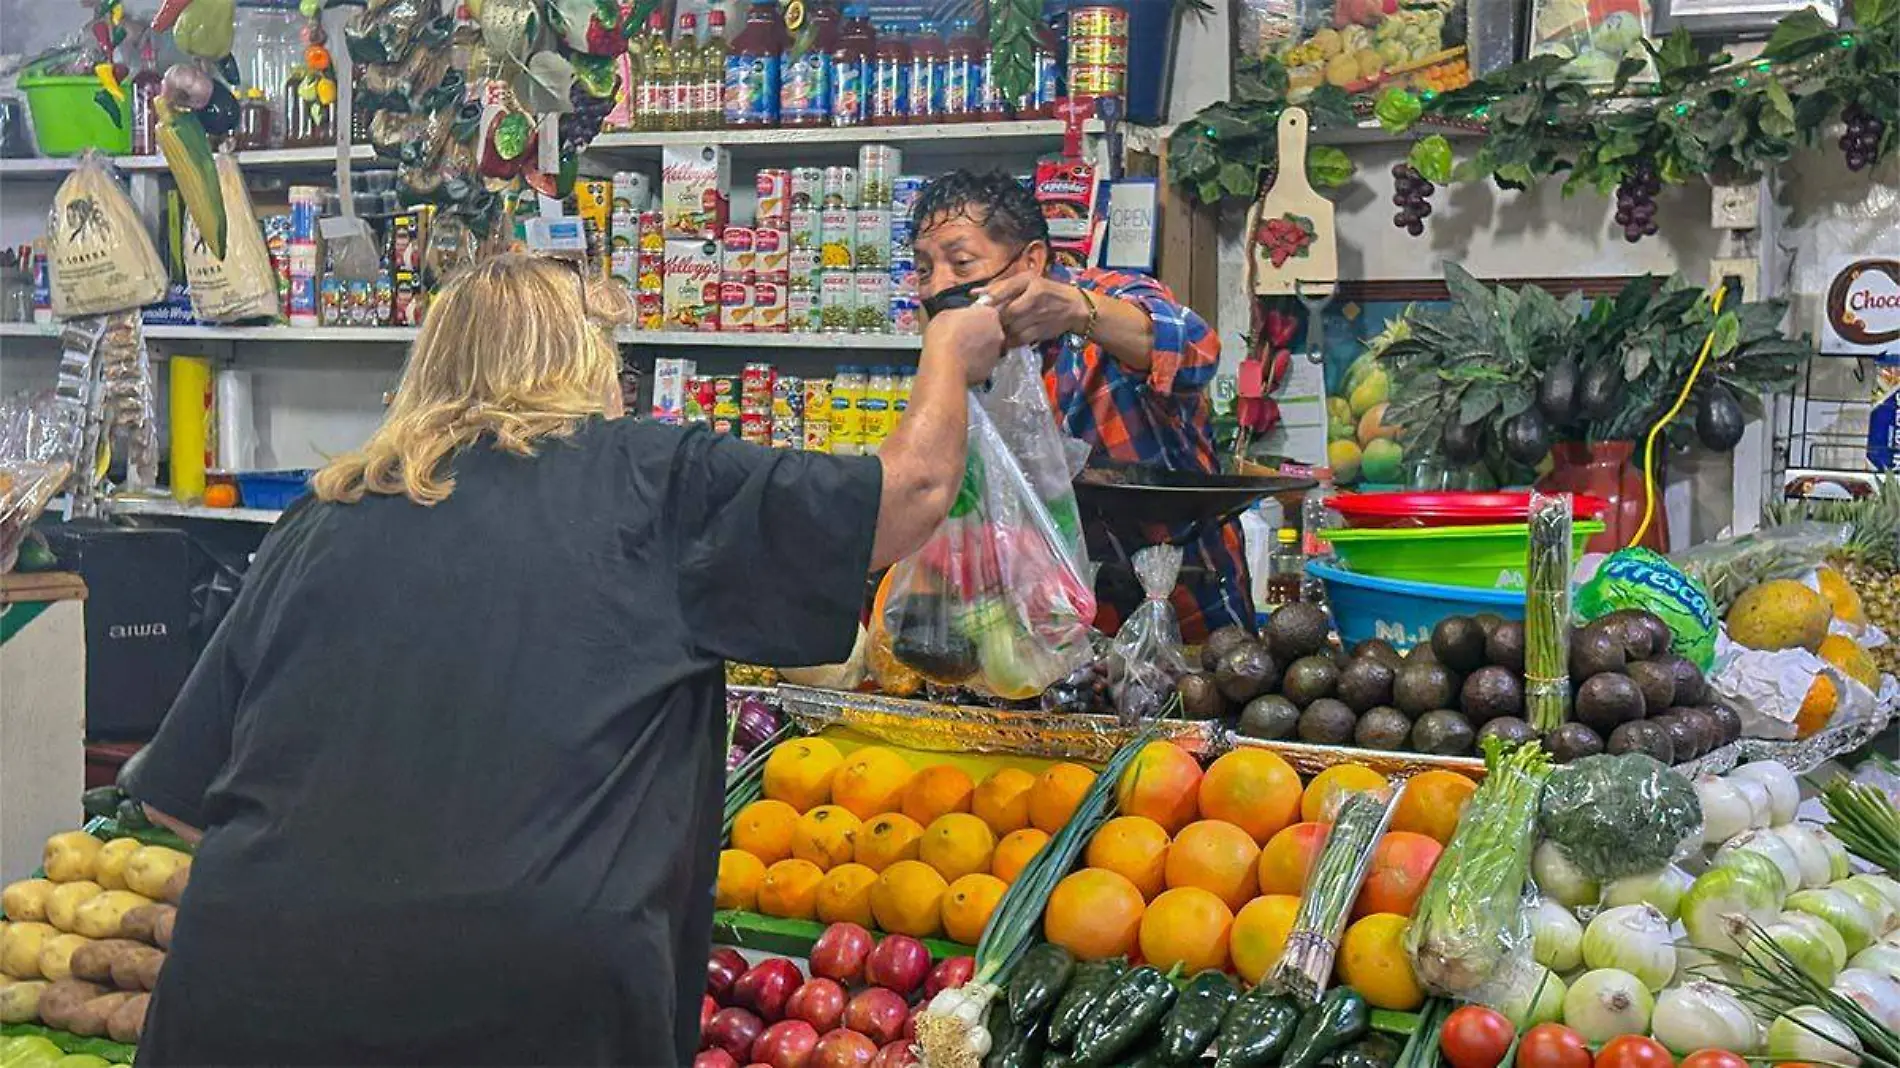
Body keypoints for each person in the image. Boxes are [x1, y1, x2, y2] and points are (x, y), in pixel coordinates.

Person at [119, 253, 1006, 1066]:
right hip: (526, 1011)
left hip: (248, 998)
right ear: (584, 363)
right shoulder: (651, 481)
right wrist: (949, 351)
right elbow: (913, 492)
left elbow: (178, 797)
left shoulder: (323, 516)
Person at [910, 170, 1250, 641]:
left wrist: (1077, 311)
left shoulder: (1110, 297)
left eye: (962, 263)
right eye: (925, 269)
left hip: (1189, 615)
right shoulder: (964, 359)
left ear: (1030, 261)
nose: (936, 287)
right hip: (1052, 625)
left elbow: (1197, 350)